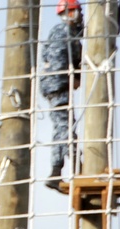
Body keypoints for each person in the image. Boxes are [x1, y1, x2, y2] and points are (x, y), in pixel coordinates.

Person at [40, 0, 84, 190]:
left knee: (64, 126)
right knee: (64, 127)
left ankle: (72, 166)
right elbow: (59, 60)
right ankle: (64, 168)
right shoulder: (63, 32)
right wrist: (71, 79)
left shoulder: (67, 34)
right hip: (58, 86)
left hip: (56, 86)